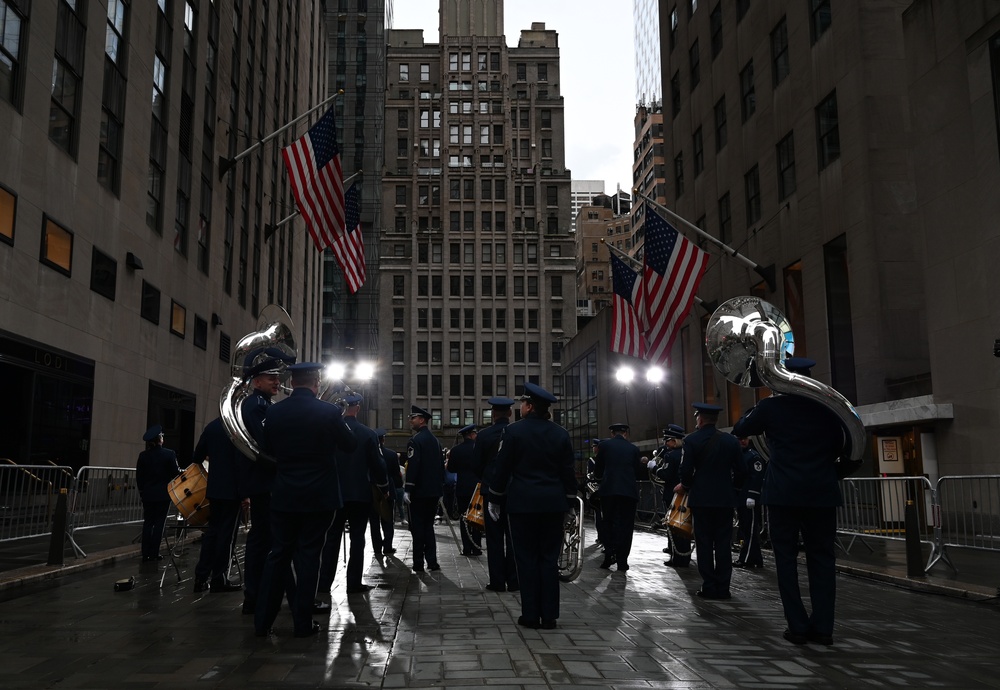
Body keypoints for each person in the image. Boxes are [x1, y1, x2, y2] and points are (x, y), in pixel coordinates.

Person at [732, 357, 847, 646]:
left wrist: (760, 404)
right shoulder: (829, 407)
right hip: (821, 491)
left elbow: (741, 428)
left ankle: (797, 626)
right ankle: (823, 628)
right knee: (822, 558)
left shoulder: (772, 407)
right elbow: (842, 445)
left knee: (786, 558)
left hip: (784, 492)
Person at [254, 362, 357, 638]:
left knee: (278, 555)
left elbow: (267, 450)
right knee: (310, 556)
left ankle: (262, 622)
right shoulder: (329, 412)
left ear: (293, 381)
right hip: (319, 497)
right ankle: (302, 624)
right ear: (317, 382)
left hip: (285, 495)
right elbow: (350, 445)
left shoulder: (273, 412)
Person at [487, 383, 576, 630]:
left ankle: (530, 615)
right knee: (549, 559)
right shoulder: (560, 434)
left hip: (523, 504)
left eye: (523, 404)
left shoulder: (514, 432)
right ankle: (549, 616)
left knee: (526, 559)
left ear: (529, 406)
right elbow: (568, 472)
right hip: (553, 504)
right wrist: (570, 501)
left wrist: (495, 498)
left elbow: (502, 468)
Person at [238, 346, 295, 615]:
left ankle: (259, 593)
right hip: (265, 481)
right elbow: (267, 444)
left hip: (265, 481)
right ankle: (260, 594)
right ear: (256, 380)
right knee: (268, 540)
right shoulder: (255, 406)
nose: (277, 382)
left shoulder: (262, 405)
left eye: (278, 377)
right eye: (271, 377)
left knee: (265, 539)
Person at [317, 392, 389, 598]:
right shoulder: (368, 433)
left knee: (331, 539)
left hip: (334, 492)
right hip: (359, 493)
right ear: (357, 408)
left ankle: (324, 583)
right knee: (358, 538)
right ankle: (354, 583)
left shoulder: (328, 431)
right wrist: (383, 487)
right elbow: (378, 465)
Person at [674, 403, 745, 600]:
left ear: (700, 419)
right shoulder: (731, 441)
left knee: (704, 543)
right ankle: (723, 587)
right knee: (723, 544)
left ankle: (709, 585)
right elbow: (741, 470)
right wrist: (734, 489)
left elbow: (685, 471)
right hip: (725, 499)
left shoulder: (691, 440)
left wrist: (687, 486)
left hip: (701, 499)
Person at [191, 417, 244, 593]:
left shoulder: (211, 426)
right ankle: (219, 578)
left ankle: (200, 577)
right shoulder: (237, 426)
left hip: (214, 489)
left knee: (212, 533)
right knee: (226, 537)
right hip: (233, 490)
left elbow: (197, 457)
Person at [474, 396, 519, 593]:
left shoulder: (483, 435)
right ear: (510, 413)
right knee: (513, 538)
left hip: (491, 490)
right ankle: (514, 580)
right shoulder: (517, 433)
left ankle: (497, 581)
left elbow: (477, 466)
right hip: (513, 490)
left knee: (494, 538)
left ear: (493, 414)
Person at [594, 423, 645, 572]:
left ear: (612, 434)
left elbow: (598, 469)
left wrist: (600, 480)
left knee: (608, 523)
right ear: (625, 434)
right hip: (628, 492)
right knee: (626, 526)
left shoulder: (605, 446)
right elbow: (637, 471)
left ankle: (609, 555)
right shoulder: (633, 449)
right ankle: (622, 561)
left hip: (609, 491)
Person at [404, 405, 445, 572]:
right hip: (433, 491)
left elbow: (414, 466)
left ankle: (418, 563)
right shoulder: (436, 441)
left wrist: (408, 489)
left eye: (413, 418)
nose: (410, 421)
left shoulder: (415, 440)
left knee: (417, 527)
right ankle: (432, 561)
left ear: (421, 420)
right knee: (428, 526)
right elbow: (440, 467)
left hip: (419, 492)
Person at [135, 424, 180, 562]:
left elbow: (139, 477)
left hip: (148, 495)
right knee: (159, 524)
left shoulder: (143, 456)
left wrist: (142, 491)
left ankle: (145, 553)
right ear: (160, 438)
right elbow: (175, 473)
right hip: (162, 495)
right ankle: (154, 553)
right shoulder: (169, 454)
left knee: (148, 523)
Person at [655, 425, 691, 568]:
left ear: (674, 441)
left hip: (673, 493)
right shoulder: (685, 452)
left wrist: (654, 468)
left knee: (674, 526)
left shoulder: (671, 455)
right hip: (685, 494)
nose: (665, 444)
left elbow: (666, 474)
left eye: (667, 440)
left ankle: (678, 557)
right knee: (684, 526)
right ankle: (683, 555)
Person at [447, 424, 482, 557]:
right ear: (472, 434)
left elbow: (451, 469)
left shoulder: (456, 450)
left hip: (462, 487)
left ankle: (466, 548)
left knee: (464, 518)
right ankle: (476, 547)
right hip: (476, 488)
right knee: (476, 518)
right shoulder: (477, 448)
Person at [734, 436, 767, 568]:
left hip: (749, 498)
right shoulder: (738, 455)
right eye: (739, 439)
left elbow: (756, 477)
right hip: (741, 497)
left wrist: (752, 495)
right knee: (746, 528)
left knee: (751, 529)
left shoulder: (753, 456)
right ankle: (756, 559)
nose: (743, 441)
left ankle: (746, 558)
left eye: (745, 438)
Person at [371, 428, 401, 556]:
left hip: (372, 491)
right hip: (388, 490)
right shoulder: (391, 454)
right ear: (383, 439)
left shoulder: (369, 455)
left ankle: (377, 547)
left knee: (374, 522)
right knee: (388, 520)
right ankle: (387, 546)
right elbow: (396, 474)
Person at [586, 439, 608, 550]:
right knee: (599, 515)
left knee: (600, 515)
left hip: (601, 489)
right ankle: (601, 536)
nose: (593, 449)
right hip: (598, 489)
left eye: (594, 446)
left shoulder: (596, 460)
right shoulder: (593, 460)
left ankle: (603, 537)